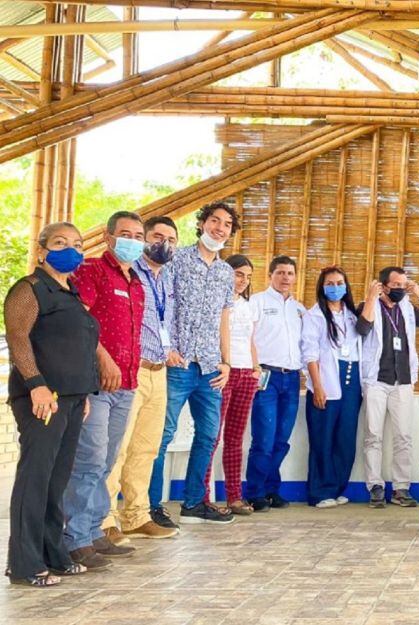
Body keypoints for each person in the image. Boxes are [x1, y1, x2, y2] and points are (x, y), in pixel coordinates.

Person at [4, 223, 98, 587]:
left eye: (76, 244)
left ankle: (52, 553)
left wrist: (82, 395)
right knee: (35, 478)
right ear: (42, 249)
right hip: (42, 399)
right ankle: (24, 564)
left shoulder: (70, 291)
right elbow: (18, 339)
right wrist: (36, 386)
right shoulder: (29, 289)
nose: (70, 249)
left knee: (56, 481)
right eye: (60, 243)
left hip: (72, 399)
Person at [63, 211, 145, 568]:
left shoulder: (137, 281)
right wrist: (103, 359)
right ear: (110, 238)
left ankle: (94, 531)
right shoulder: (93, 271)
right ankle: (75, 539)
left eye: (138, 235)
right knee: (89, 461)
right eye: (125, 233)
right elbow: (78, 320)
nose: (133, 240)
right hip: (96, 383)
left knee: (107, 461)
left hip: (127, 384)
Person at [148, 201, 238, 526]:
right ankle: (151, 507)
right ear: (202, 224)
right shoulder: (177, 259)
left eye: (227, 224)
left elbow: (224, 319)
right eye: (215, 220)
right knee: (163, 433)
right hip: (178, 363)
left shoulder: (227, 273)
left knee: (208, 435)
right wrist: (167, 346)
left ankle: (193, 503)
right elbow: (160, 306)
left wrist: (227, 362)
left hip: (211, 368)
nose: (220, 228)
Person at [103, 216, 181, 541]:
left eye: (171, 239)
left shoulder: (166, 279)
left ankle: (136, 515)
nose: (164, 243)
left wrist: (173, 348)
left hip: (159, 371)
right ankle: (103, 521)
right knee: (117, 449)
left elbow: (167, 320)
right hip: (130, 371)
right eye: (157, 236)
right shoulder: (127, 271)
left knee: (146, 448)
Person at [358, 266, 419, 508]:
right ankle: (375, 486)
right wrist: (372, 298)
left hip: (402, 380)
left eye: (403, 285)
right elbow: (362, 328)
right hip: (376, 380)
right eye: (396, 285)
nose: (400, 290)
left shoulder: (408, 308)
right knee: (373, 435)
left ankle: (401, 488)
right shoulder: (369, 305)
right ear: (383, 286)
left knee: (403, 436)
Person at [244, 256, 305, 512]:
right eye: (280, 272)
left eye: (290, 273)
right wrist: (255, 368)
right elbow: (247, 338)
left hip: (291, 379)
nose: (285, 278)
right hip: (266, 377)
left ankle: (272, 489)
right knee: (264, 438)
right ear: (270, 275)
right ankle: (255, 492)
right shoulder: (256, 302)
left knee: (282, 439)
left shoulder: (299, 309)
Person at [202, 255, 260, 515]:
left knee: (235, 438)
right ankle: (201, 496)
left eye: (247, 276)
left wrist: (256, 368)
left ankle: (235, 497)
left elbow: (250, 340)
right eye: (239, 274)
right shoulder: (214, 301)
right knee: (211, 436)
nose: (243, 280)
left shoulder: (249, 305)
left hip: (246, 373)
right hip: (222, 372)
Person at [302, 267, 363, 508]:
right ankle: (319, 492)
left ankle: (338, 486)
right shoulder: (314, 315)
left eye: (339, 282)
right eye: (330, 282)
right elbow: (310, 353)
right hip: (326, 379)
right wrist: (317, 386)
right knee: (322, 437)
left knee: (345, 438)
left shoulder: (352, 315)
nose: (335, 286)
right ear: (322, 286)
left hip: (351, 379)